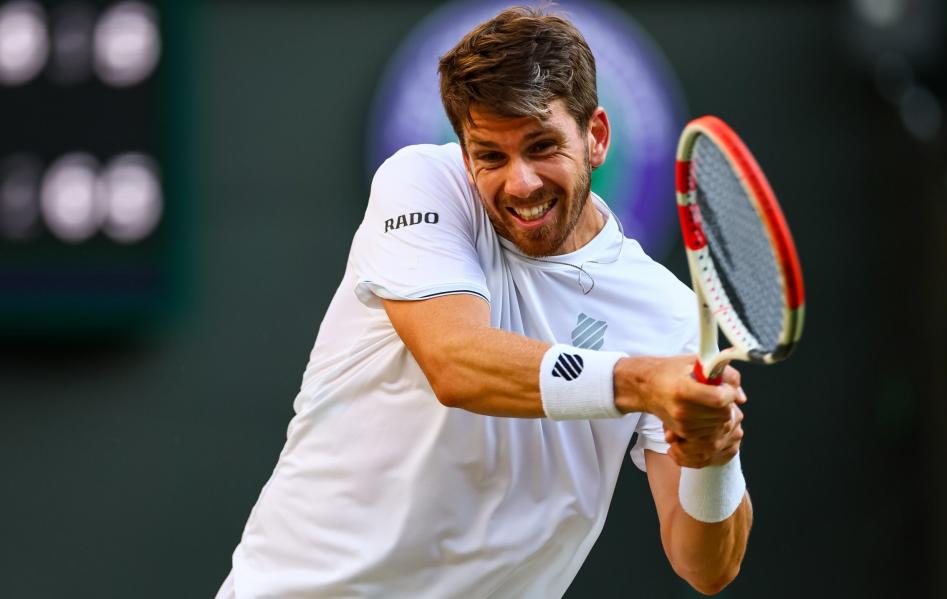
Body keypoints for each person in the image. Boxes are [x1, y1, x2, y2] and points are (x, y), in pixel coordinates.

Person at [217, 6, 751, 598]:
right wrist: (642, 381)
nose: (520, 182)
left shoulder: (666, 313)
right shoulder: (421, 183)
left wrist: (712, 456)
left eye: (542, 146)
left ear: (595, 136)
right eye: (491, 156)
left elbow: (706, 567)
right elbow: (455, 362)